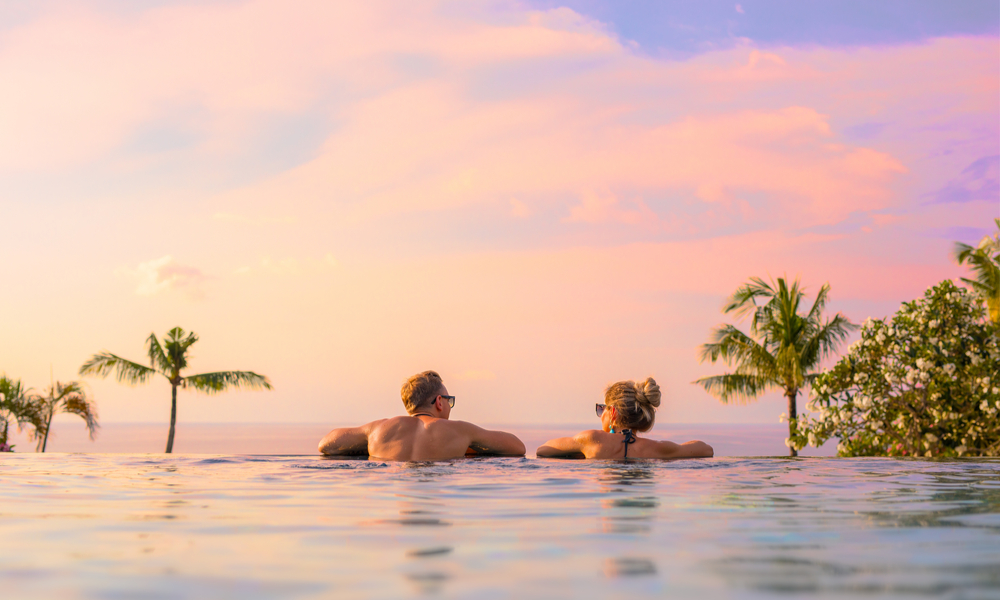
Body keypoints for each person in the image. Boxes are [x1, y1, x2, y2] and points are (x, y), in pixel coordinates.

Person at [318, 370, 526, 461]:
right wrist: (469, 446)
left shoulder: (378, 429)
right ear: (438, 402)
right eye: (448, 400)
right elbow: (518, 448)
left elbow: (326, 444)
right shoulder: (460, 431)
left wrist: (368, 445)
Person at [536, 377, 713, 459]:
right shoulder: (658, 449)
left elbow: (543, 450)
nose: (600, 415)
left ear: (613, 413)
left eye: (602, 409)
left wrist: (578, 452)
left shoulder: (591, 440)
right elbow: (706, 449)